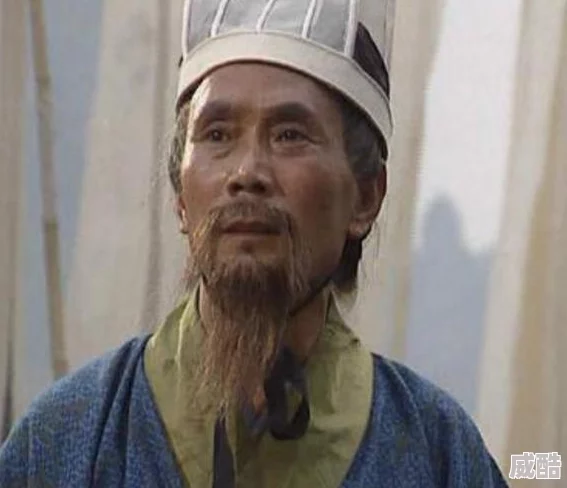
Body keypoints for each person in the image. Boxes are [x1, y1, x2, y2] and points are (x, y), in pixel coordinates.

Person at [0, 0, 508, 486]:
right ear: (180, 198)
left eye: (290, 135)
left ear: (366, 197)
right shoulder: (66, 440)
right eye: (217, 135)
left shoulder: (437, 453)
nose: (247, 172)